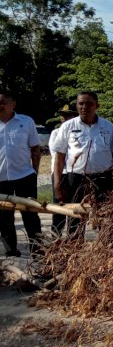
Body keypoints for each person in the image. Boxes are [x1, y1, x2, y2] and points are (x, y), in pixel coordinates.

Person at [52, 92, 113, 231]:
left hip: (102, 179)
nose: (84, 107)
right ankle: (76, 249)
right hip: (75, 179)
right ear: (76, 105)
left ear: (97, 106)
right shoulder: (67, 126)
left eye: (89, 104)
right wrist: (57, 184)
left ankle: (106, 250)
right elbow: (59, 157)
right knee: (75, 221)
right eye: (81, 103)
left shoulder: (108, 127)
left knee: (105, 219)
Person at [0, 89, 42, 257]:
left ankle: (37, 250)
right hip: (1, 179)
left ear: (13, 103)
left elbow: (35, 148)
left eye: (4, 102)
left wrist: (35, 172)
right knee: (3, 218)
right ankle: (11, 251)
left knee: (31, 214)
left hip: (25, 176)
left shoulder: (26, 122)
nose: (0, 106)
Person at [49, 104, 78, 233]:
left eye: (68, 115)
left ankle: (73, 239)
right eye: (63, 115)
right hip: (60, 173)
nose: (64, 118)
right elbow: (58, 155)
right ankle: (56, 236)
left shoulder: (78, 131)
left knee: (75, 207)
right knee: (58, 207)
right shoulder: (56, 133)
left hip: (74, 173)